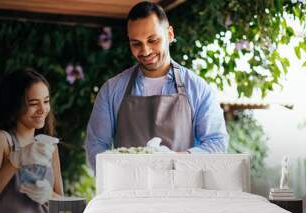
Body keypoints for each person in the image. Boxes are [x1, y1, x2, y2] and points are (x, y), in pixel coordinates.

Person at [85, 1, 228, 172]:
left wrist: (174, 160)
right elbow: (96, 146)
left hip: (183, 193)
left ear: (170, 34)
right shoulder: (111, 90)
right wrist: (116, 176)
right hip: (128, 194)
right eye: (136, 43)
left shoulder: (198, 88)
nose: (145, 51)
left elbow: (217, 143)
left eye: (152, 40)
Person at [0, 68, 63, 213]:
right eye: (33, 103)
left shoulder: (49, 147)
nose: (42, 109)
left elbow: (64, 204)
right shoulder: (1, 140)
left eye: (46, 101)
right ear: (15, 105)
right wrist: (14, 161)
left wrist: (49, 196)